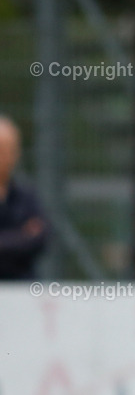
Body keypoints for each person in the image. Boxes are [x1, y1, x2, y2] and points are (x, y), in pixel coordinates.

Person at [0, 116, 49, 280]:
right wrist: (20, 236)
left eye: (10, 150)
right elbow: (27, 240)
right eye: (1, 150)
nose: (5, 157)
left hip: (22, 290)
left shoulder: (26, 196)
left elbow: (40, 240)